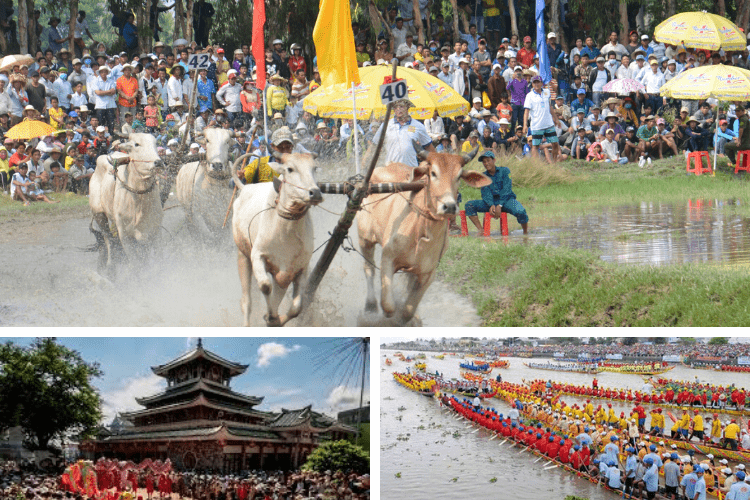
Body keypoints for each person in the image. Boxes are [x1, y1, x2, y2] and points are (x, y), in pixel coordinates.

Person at [464, 150, 528, 235]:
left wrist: (500, 205)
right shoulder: (483, 176)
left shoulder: (505, 171)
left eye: (488, 161)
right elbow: (485, 192)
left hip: (507, 201)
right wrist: (491, 205)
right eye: (484, 162)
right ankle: (481, 230)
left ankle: (525, 232)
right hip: (491, 203)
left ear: (494, 160)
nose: (486, 163)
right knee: (469, 205)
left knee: (521, 211)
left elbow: (507, 189)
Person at [370, 98, 434, 168]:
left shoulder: (418, 126)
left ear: (407, 107)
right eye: (395, 107)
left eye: (401, 106)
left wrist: (435, 163)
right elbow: (374, 145)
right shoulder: (386, 125)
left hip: (410, 170)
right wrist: (364, 161)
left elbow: (429, 147)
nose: (398, 109)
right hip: (390, 171)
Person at [523, 75, 560, 162]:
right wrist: (525, 124)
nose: (536, 84)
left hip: (548, 124)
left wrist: (556, 119)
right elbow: (526, 111)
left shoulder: (547, 92)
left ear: (541, 83)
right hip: (536, 125)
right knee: (535, 146)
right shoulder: (529, 96)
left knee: (555, 144)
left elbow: (549, 106)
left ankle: (554, 164)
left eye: (538, 82)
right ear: (532, 84)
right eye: (534, 82)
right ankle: (536, 166)